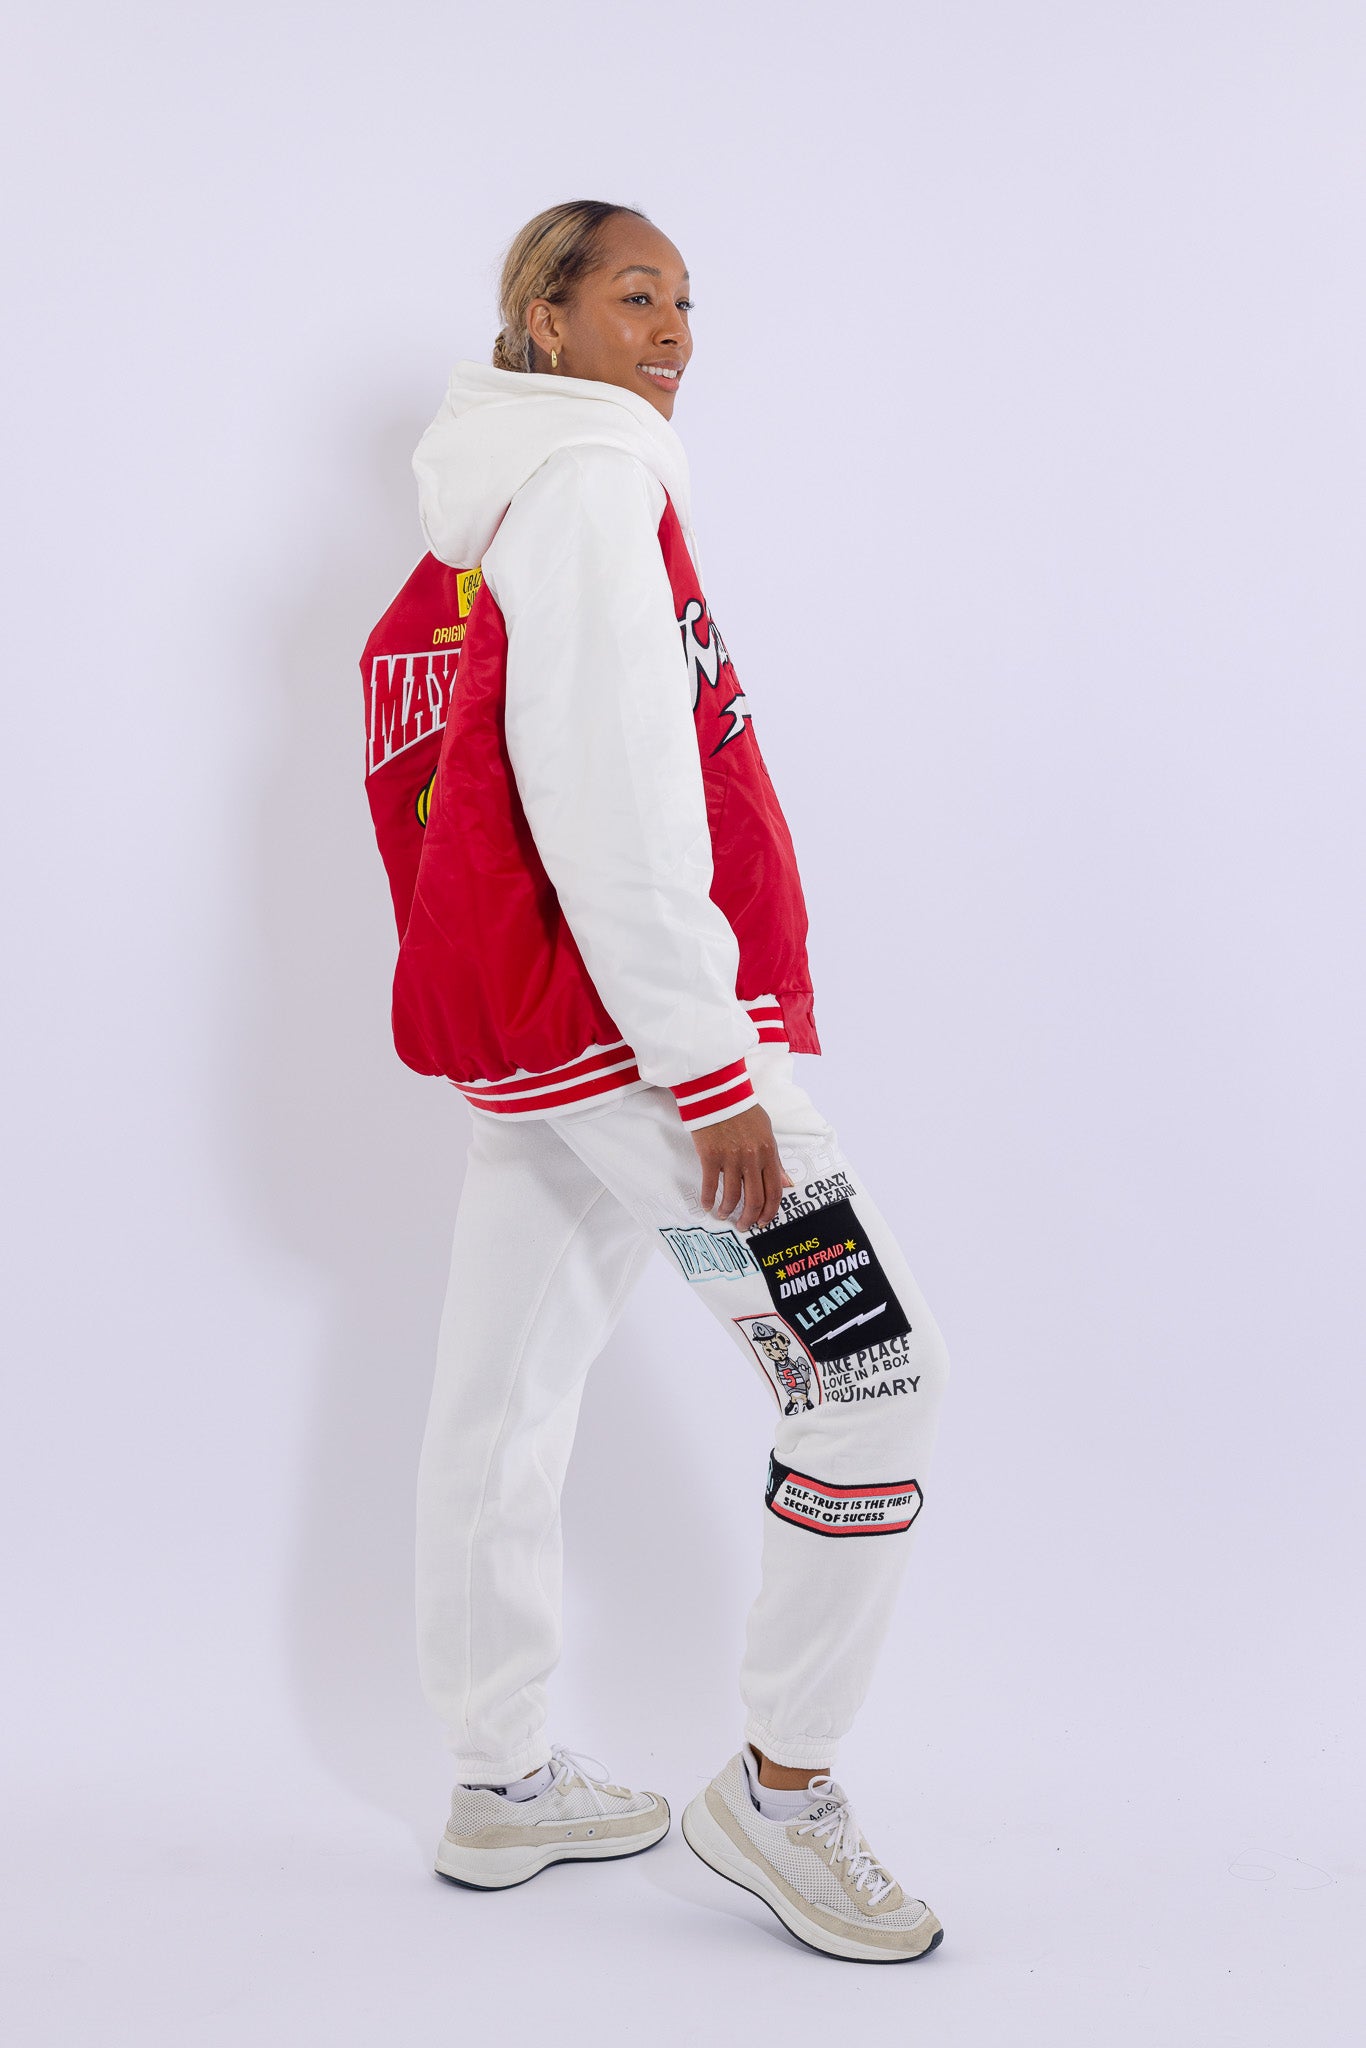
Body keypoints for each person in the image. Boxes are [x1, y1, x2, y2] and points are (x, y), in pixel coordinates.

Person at [395, 199, 951, 1962]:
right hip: (649, 1049)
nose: (674, 330)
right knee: (871, 1375)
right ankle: (780, 1798)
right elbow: (611, 793)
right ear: (542, 320)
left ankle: (498, 1780)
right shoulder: (584, 485)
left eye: (688, 301)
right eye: (634, 295)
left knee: (501, 1400)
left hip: (546, 1042)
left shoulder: (497, 505)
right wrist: (713, 1071)